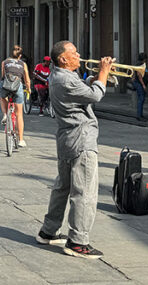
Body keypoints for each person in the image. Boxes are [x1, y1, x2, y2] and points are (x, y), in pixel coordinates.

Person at [35, 40, 112, 260]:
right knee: (84, 192)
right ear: (63, 59)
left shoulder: (59, 75)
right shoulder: (65, 79)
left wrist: (95, 76)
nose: (79, 56)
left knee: (63, 186)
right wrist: (104, 73)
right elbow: (96, 95)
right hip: (81, 139)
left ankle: (48, 231)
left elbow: (82, 88)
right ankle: (78, 241)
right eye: (74, 53)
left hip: (66, 138)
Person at [0, 44, 29, 148]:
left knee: (2, 97)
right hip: (17, 86)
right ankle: (21, 139)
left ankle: (4, 114)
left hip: (6, 85)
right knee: (19, 114)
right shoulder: (23, 64)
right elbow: (27, 79)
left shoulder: (5, 62)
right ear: (20, 56)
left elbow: (3, 76)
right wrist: (29, 88)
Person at [132, 53, 148, 120]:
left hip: (138, 83)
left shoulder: (138, 64)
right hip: (139, 83)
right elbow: (139, 76)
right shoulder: (140, 65)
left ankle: (140, 114)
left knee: (141, 98)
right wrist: (143, 85)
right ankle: (139, 115)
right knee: (141, 98)